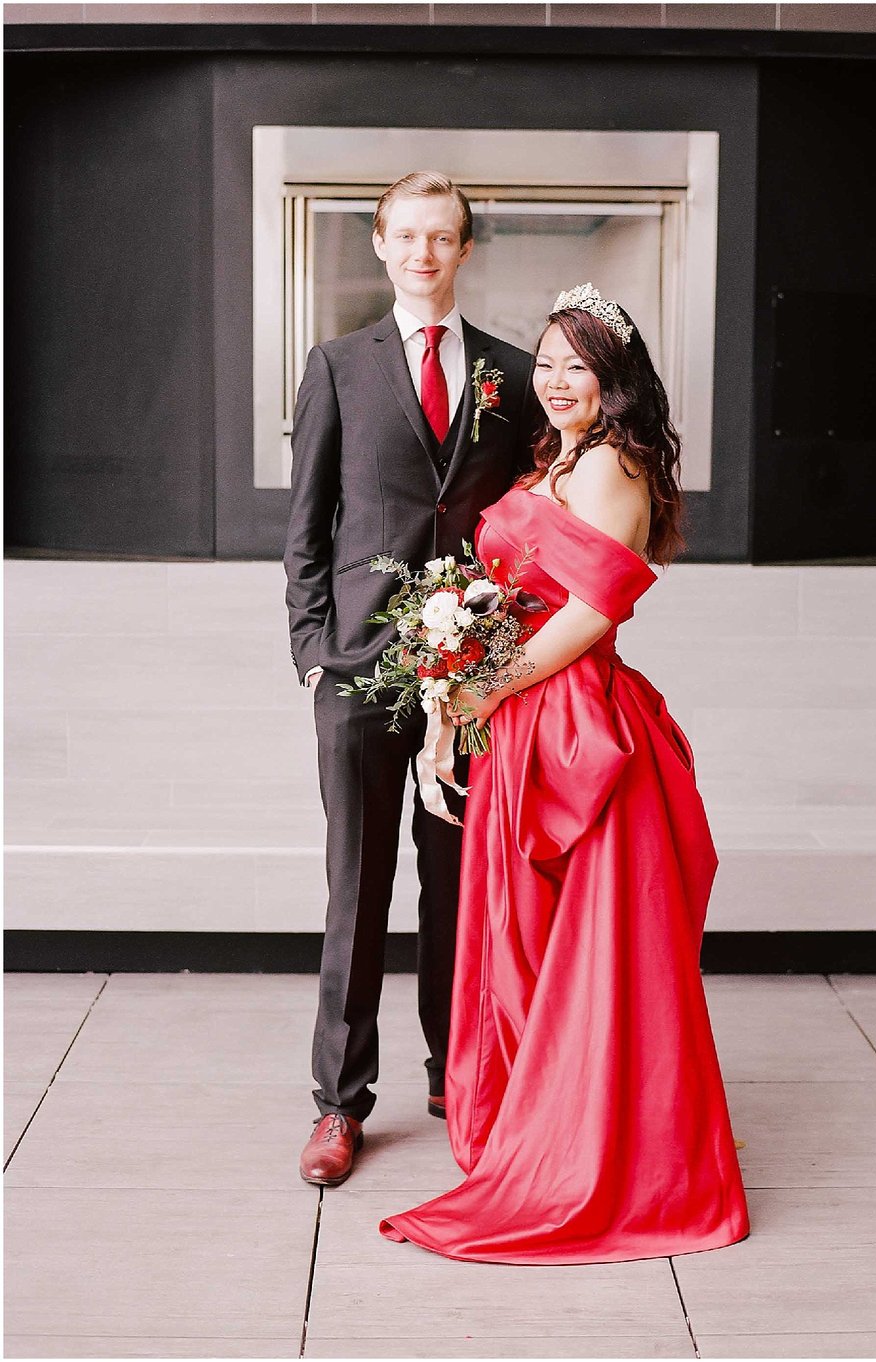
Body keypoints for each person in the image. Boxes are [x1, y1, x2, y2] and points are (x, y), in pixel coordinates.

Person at [379, 284, 750, 1262]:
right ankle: (536, 1123)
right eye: (543, 364)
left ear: (612, 379)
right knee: (526, 942)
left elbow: (592, 612)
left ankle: (600, 1151)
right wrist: (451, 681)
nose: (553, 382)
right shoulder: (559, 459)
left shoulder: (615, 467)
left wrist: (486, 685)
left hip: (580, 725)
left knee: (589, 948)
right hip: (523, 722)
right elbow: (511, 594)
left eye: (574, 366)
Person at [284, 171, 535, 1188]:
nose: (425, 253)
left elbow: (528, 522)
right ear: (381, 243)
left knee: (457, 889)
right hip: (357, 670)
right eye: (408, 235)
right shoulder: (339, 366)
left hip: (469, 679)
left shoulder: (513, 377)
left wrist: (505, 650)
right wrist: (312, 652)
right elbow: (306, 527)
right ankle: (340, 1106)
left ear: (465, 250)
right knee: (357, 887)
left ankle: (456, 1076)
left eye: (444, 237)